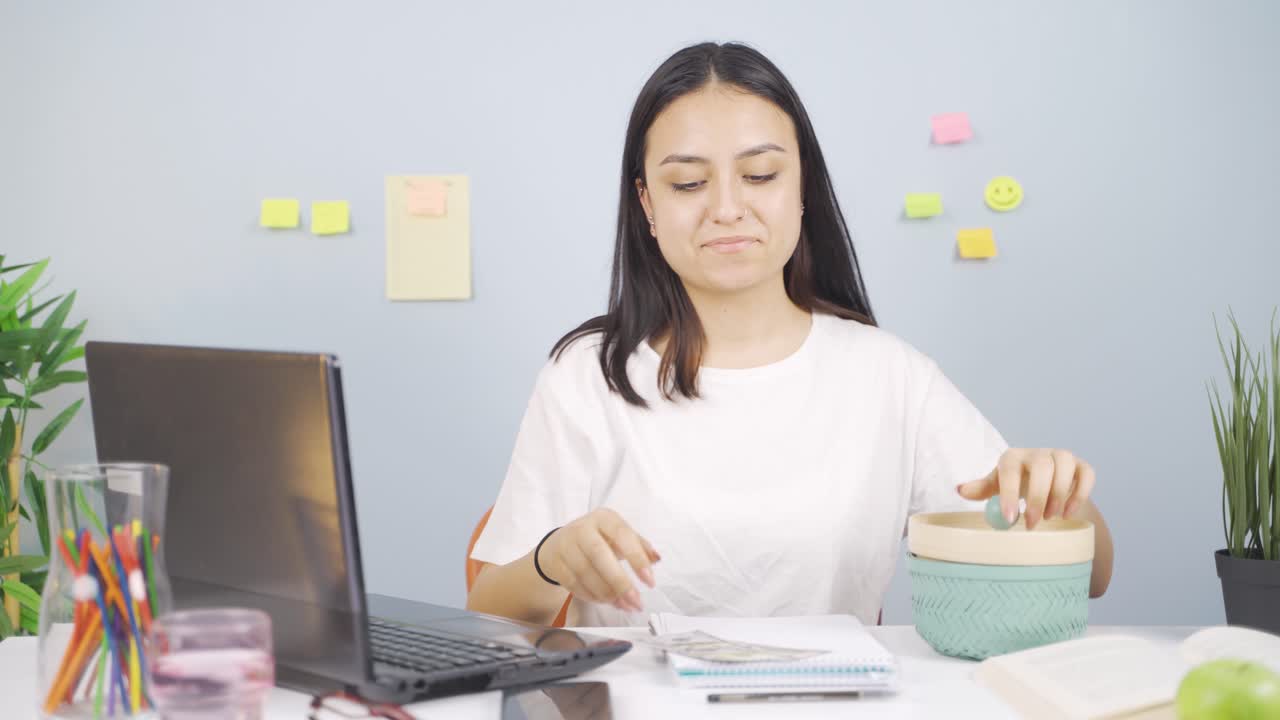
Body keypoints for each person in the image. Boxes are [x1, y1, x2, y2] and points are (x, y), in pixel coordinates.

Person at [467, 41, 1114, 628]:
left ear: (803, 187)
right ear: (647, 205)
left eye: (760, 175)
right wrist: (552, 559)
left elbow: (1093, 575)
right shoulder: (588, 375)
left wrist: (1057, 499)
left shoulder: (888, 376)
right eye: (688, 182)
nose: (726, 207)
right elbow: (488, 607)